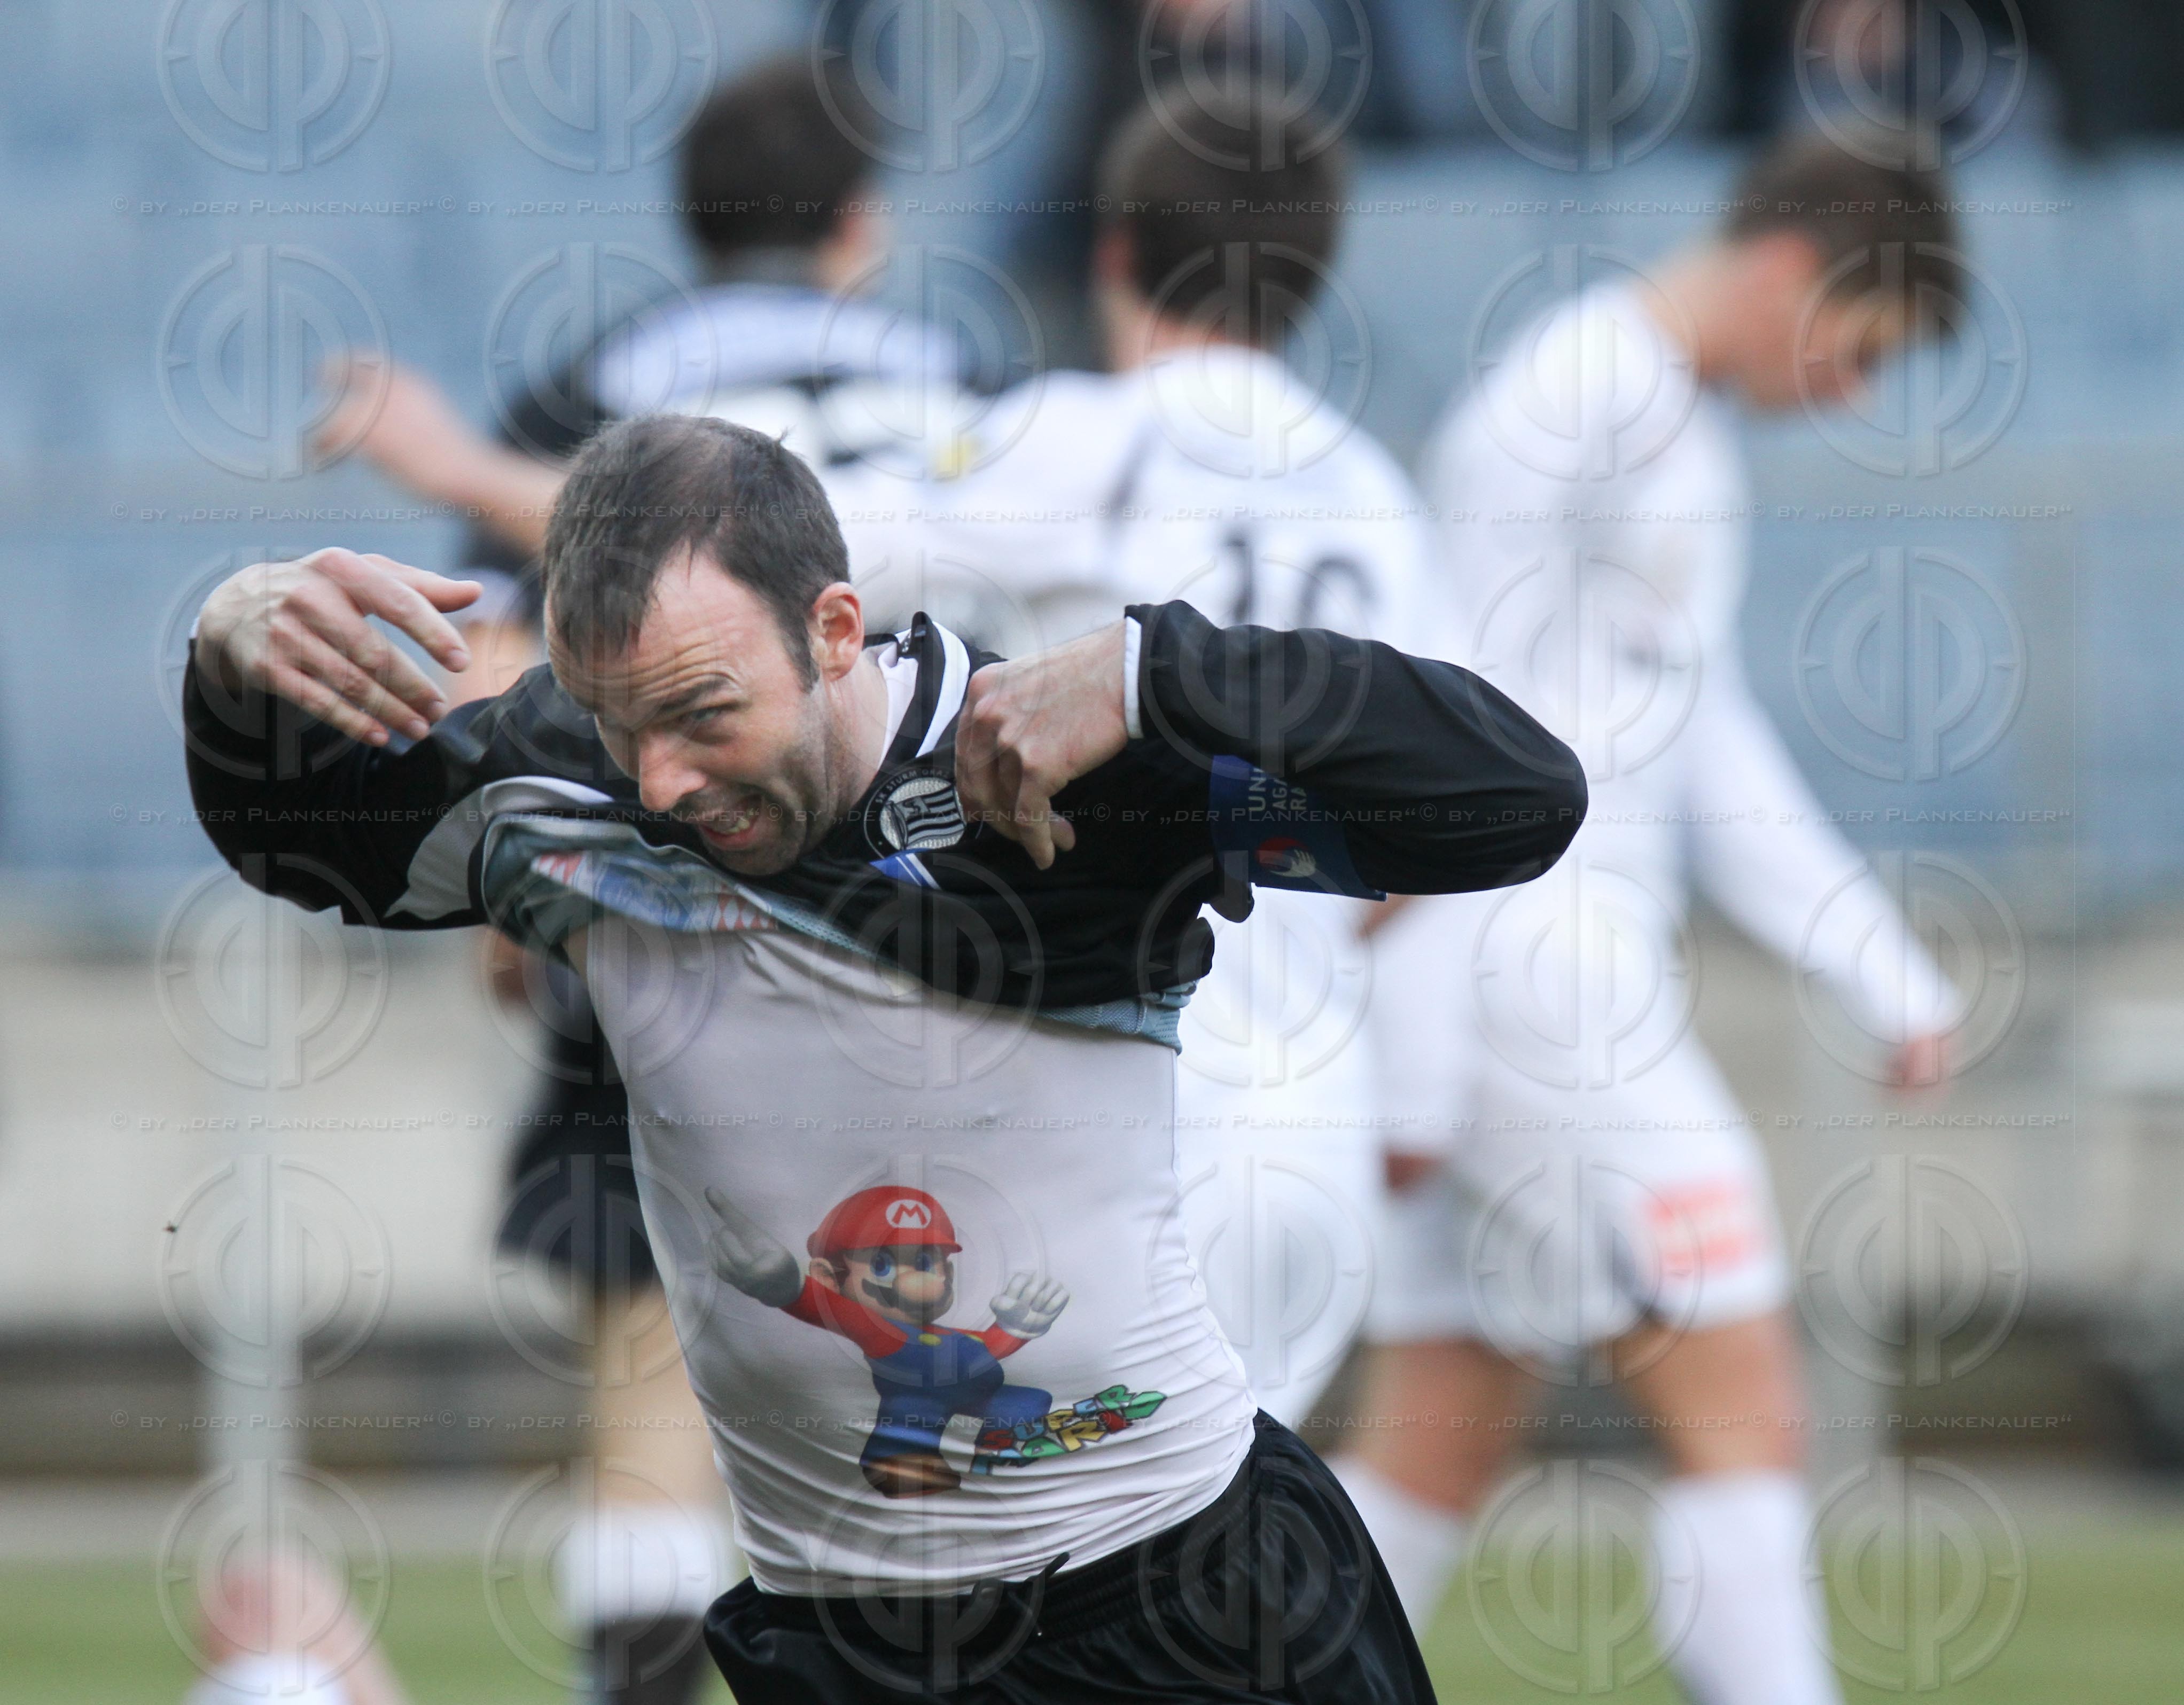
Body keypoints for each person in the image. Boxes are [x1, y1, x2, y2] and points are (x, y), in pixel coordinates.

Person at [181, 411, 1584, 1701]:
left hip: (1192, 1608)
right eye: (620, 721)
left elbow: (1514, 805)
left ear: (835, 629)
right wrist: (230, 652)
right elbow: (301, 845)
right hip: (852, 1654)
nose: (659, 777)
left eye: (703, 713)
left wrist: (1161, 674)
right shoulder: (560, 794)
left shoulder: (1054, 771)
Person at [318, 60, 981, 1703]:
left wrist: (511, 886)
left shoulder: (608, 381)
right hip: (931, 910)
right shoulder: (964, 378)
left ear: (694, 220)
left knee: (650, 1368)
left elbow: (504, 657)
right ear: (860, 220)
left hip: (666, 902)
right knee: (945, 1358)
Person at [1331, 135, 1965, 1705]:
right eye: (1866, 346)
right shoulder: (1576, 407)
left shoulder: (1664, 426)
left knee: (1442, 1420)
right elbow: (1444, 718)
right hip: (1539, 980)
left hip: (1520, 983)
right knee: (1747, 1396)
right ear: (1790, 272)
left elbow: (1701, 729)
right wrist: (1414, 1031)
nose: (1853, 390)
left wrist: (1868, 957)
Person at [822, 94, 1440, 1433]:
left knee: (1039, 1548)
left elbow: (806, 570)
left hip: (1120, 1090)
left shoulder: (1083, 438)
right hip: (1314, 1113)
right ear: (1310, 274)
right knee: (1228, 1554)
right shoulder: (1376, 497)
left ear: (1113, 254)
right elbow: (1414, 847)